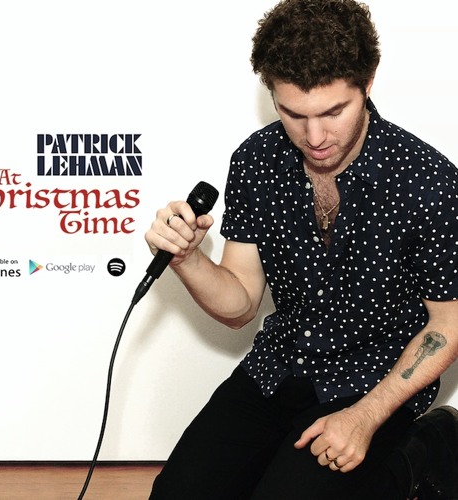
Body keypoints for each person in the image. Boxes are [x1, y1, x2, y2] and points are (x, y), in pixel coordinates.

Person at [145, 0, 458, 498]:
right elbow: (240, 305)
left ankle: (423, 451)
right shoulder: (256, 161)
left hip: (375, 382)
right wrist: (188, 259)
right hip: (277, 367)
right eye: (293, 114)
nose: (315, 137)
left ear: (368, 83)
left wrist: (366, 416)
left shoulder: (427, 182)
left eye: (334, 112)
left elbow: (449, 322)